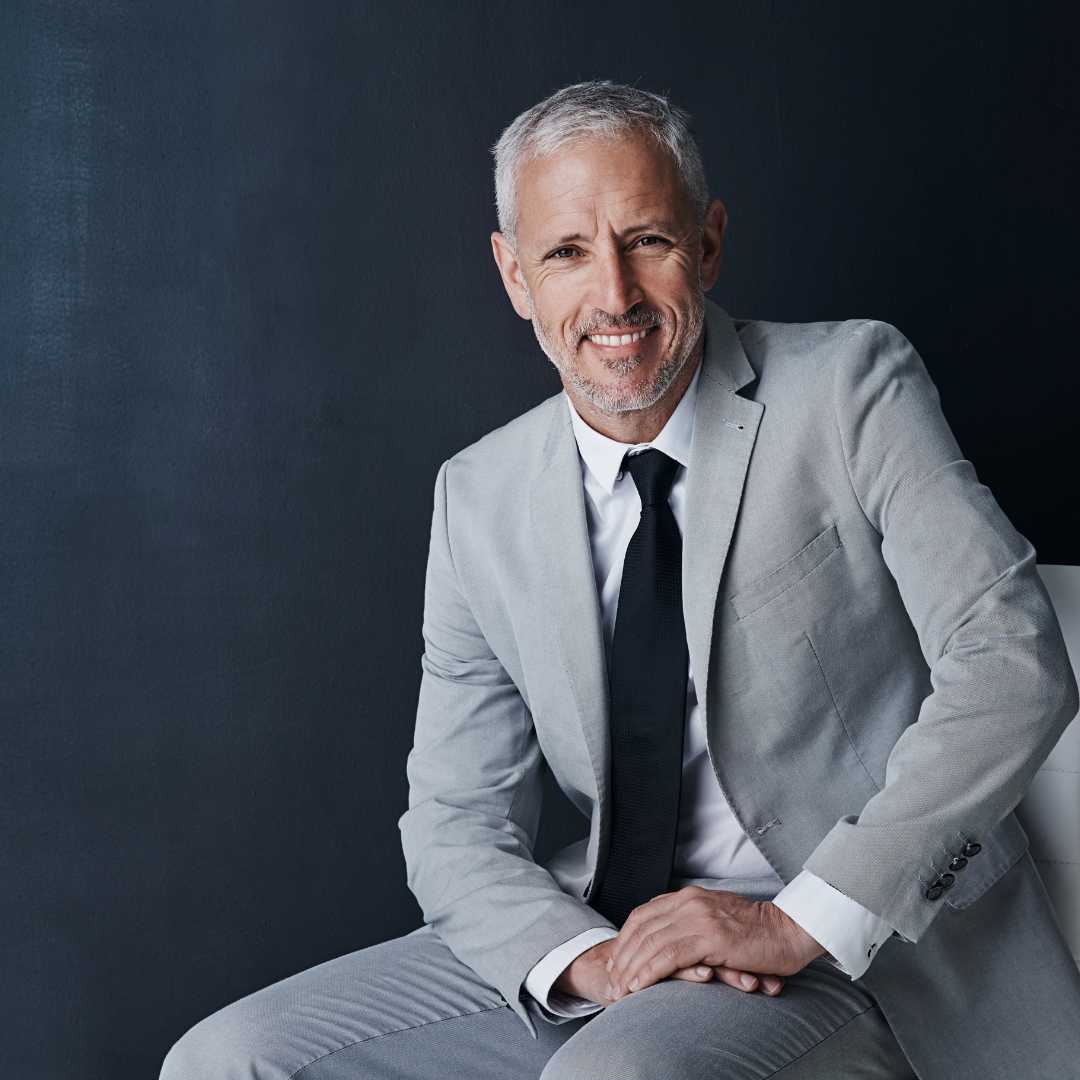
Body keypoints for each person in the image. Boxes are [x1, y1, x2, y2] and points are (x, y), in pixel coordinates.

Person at [161, 81, 1080, 1080]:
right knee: (225, 1061)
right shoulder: (478, 496)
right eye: (566, 253)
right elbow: (456, 820)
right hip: (610, 931)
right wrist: (587, 962)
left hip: (851, 945)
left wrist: (792, 923)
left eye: (647, 240)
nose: (614, 294)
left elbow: (1012, 664)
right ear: (514, 276)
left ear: (709, 244)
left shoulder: (850, 386)